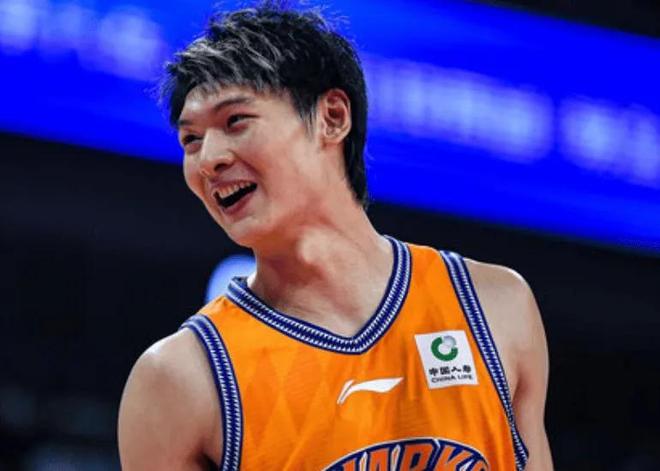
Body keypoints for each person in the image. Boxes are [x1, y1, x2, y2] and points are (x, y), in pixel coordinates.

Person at [117, 3, 553, 470]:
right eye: (191, 140)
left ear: (332, 117)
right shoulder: (181, 379)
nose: (209, 159)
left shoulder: (494, 307)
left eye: (235, 121)